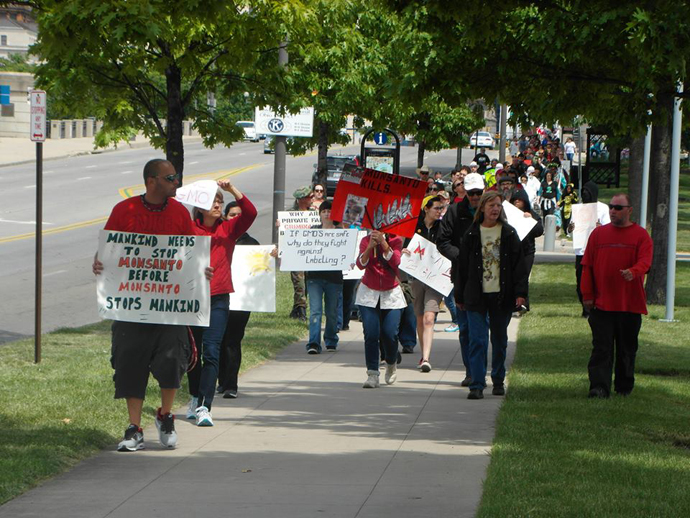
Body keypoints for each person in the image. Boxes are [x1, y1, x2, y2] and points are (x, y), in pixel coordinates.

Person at [93, 159, 201, 451]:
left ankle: (166, 416)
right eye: (171, 177)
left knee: (171, 361)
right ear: (152, 181)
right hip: (131, 306)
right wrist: (100, 263)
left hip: (169, 306)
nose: (176, 182)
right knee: (130, 363)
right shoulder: (124, 210)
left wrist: (202, 271)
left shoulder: (179, 212)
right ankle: (133, 427)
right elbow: (109, 248)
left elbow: (191, 253)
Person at [187, 181, 257, 426]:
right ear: (199, 208)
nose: (218, 205)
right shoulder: (188, 230)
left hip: (218, 298)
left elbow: (250, 213)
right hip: (192, 299)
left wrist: (232, 190)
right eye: (212, 201)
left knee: (212, 351)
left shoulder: (228, 229)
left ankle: (206, 406)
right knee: (193, 354)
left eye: (219, 201)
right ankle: (194, 397)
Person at [457, 191, 528, 400]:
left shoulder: (508, 233)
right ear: (483, 209)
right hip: (476, 296)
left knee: (499, 340)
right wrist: (459, 296)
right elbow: (462, 268)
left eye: (498, 205)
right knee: (477, 340)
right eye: (491, 206)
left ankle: (498, 379)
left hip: (501, 296)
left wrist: (521, 294)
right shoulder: (471, 234)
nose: (495, 209)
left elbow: (519, 267)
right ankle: (477, 384)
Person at [581, 194, 653, 398]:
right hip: (602, 304)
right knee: (601, 348)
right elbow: (587, 266)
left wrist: (634, 271)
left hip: (630, 304)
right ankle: (599, 387)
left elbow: (646, 261)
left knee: (627, 349)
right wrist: (587, 294)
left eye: (618, 208)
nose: (613, 211)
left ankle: (624, 387)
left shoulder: (641, 235)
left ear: (630, 210)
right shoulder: (598, 234)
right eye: (611, 207)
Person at [437, 172, 486, 387]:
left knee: (484, 329)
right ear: (464, 191)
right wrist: (462, 257)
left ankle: (484, 371)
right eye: (471, 193)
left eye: (478, 193)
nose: (475, 197)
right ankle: (472, 371)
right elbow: (443, 241)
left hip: (489, 277)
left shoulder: (493, 210)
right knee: (466, 328)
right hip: (464, 277)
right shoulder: (456, 212)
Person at [216, 201, 261, 400]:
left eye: (239, 214)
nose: (235, 217)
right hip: (219, 297)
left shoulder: (252, 244)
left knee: (233, 341)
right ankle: (222, 380)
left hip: (241, 302)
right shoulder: (221, 238)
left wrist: (272, 255)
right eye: (232, 214)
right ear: (226, 217)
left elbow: (261, 269)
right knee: (218, 341)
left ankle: (231, 385)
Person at [355, 230, 406, 388]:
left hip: (391, 293)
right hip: (369, 293)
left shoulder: (396, 240)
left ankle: (391, 362)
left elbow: (396, 261)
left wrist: (384, 244)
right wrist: (370, 247)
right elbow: (360, 264)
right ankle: (372, 373)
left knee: (390, 333)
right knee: (371, 333)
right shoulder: (365, 240)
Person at [403, 196, 445, 372]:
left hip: (435, 279)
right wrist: (404, 250)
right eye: (436, 208)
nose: (439, 211)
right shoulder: (414, 227)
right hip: (417, 277)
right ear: (426, 209)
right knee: (420, 317)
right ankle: (423, 355)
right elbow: (405, 246)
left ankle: (426, 358)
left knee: (429, 318)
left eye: (441, 208)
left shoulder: (442, 228)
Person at [305, 201, 343, 354]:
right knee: (315, 311)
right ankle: (313, 342)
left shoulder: (341, 232)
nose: (327, 213)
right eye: (324, 211)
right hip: (314, 277)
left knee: (332, 311)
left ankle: (331, 339)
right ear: (319, 214)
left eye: (330, 211)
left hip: (334, 278)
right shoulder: (313, 231)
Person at [571, 181, 610, 317]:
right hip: (581, 250)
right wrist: (570, 229)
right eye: (583, 193)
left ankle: (595, 307)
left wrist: (600, 228)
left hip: (597, 251)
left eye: (588, 193)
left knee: (596, 279)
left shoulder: (603, 209)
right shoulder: (578, 209)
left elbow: (609, 228)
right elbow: (571, 229)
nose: (585, 195)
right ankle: (585, 308)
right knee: (580, 279)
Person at [510, 189, 544, 311]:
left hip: (527, 251)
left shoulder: (531, 214)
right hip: (512, 250)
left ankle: (524, 303)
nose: (517, 202)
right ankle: (513, 303)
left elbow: (539, 231)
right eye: (515, 200)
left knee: (523, 276)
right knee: (512, 276)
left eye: (519, 200)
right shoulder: (509, 213)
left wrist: (531, 220)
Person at [288, 186, 313, 322]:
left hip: (310, 253)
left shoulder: (314, 213)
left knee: (308, 283)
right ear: (302, 199)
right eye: (310, 197)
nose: (312, 199)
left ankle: (296, 308)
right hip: (295, 253)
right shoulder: (290, 215)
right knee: (299, 283)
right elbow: (283, 234)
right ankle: (301, 310)